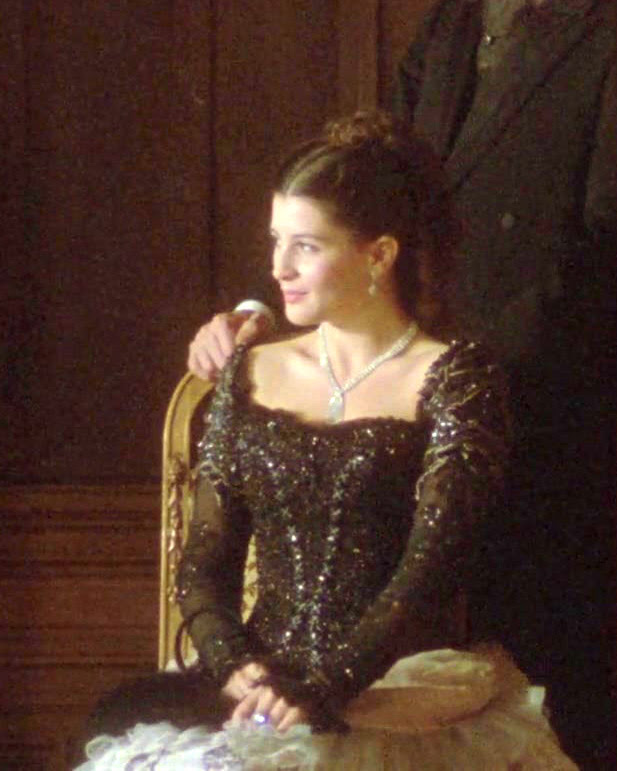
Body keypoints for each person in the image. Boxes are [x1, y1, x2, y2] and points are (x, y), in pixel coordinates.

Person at [75, 112, 577, 770]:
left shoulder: (455, 377)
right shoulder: (252, 370)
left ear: (379, 255)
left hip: (397, 690)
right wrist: (235, 667)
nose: (278, 267)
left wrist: (328, 686)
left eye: (306, 247)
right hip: (257, 685)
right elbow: (203, 562)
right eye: (276, 241)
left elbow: (429, 569)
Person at [188, 3, 617, 768]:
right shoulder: (452, 23)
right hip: (410, 367)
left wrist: (443, 366)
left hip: (549, 438)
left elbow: (601, 252)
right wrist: (275, 312)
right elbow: (358, 188)